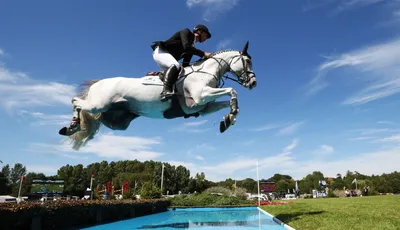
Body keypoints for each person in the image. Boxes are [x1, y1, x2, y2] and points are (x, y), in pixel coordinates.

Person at [151, 24, 213, 101]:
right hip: (161, 52)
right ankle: (166, 91)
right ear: (199, 31)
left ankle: (158, 74)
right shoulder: (186, 32)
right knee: (176, 65)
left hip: (167, 56)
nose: (206, 38)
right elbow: (186, 47)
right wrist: (203, 54)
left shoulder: (191, 47)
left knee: (181, 71)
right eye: (206, 35)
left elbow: (185, 64)